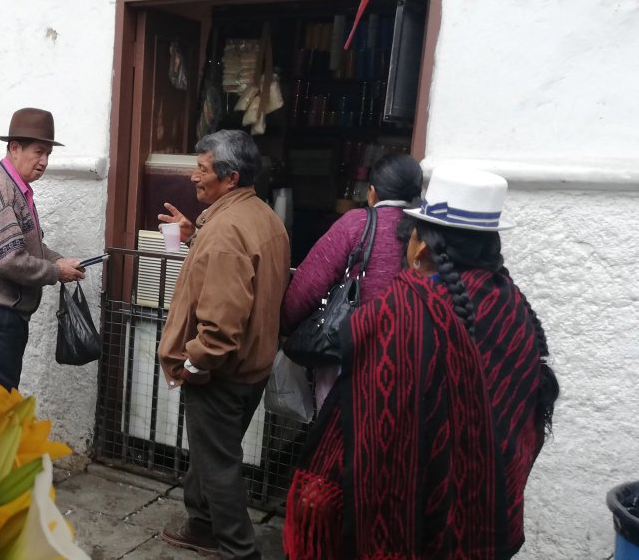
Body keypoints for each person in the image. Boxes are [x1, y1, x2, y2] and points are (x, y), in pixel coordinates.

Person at [284, 167, 560, 559]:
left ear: (420, 248)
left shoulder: (403, 315)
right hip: (486, 521)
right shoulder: (512, 306)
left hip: (412, 530)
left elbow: (370, 435)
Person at [156, 129, 291, 560]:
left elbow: (220, 322)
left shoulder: (226, 231)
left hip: (223, 371)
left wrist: (195, 363)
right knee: (212, 451)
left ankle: (238, 548)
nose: (193, 176)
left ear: (230, 178)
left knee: (218, 464)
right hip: (251, 365)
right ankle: (201, 525)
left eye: (202, 169)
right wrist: (194, 233)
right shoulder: (261, 216)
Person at [0, 108, 84, 390]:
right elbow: (8, 260)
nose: (44, 161)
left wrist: (60, 261)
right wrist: (55, 271)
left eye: (48, 154)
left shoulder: (15, 186)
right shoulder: (2, 191)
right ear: (15, 148)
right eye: (39, 152)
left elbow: (26, 245)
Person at [281, 153, 423, 406]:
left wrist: (286, 326)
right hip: (411, 358)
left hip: (350, 358)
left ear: (372, 193)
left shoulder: (356, 223)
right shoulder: (427, 231)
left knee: (342, 427)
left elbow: (308, 285)